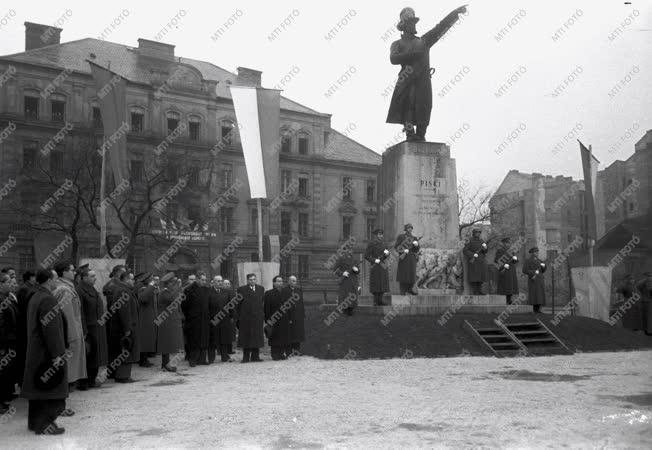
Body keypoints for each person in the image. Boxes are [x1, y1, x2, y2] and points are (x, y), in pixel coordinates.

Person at [386, 6, 467, 141]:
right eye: (411, 23)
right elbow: (393, 59)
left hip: (423, 81)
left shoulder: (423, 41)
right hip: (406, 80)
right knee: (409, 106)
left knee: (425, 106)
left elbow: (440, 28)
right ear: (404, 25)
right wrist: (413, 55)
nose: (414, 26)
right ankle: (410, 135)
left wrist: (454, 14)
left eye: (414, 23)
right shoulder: (397, 43)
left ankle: (421, 135)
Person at [21, 269, 68, 435]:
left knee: (38, 390)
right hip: (46, 354)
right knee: (50, 389)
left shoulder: (36, 296)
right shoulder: (48, 299)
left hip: (36, 352)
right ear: (48, 280)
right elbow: (52, 331)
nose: (57, 282)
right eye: (55, 278)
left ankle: (35, 422)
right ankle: (45, 425)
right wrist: (57, 355)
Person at [52, 261, 86, 402]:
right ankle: (61, 404)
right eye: (72, 270)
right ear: (64, 272)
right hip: (71, 336)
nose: (74, 272)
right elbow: (67, 317)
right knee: (67, 372)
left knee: (69, 371)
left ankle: (63, 402)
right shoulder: (64, 290)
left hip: (73, 332)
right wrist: (72, 338)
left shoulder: (67, 287)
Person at [75, 267, 108, 389]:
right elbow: (80, 313)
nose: (95, 278)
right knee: (88, 356)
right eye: (92, 276)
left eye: (95, 276)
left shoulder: (92, 289)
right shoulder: (79, 290)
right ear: (84, 278)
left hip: (97, 327)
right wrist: (84, 330)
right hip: (89, 328)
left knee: (95, 355)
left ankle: (91, 379)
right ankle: (84, 382)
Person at [107, 271, 139, 383]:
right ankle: (122, 376)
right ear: (126, 279)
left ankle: (123, 375)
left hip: (124, 327)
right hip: (124, 329)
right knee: (125, 351)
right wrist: (127, 329)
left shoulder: (123, 290)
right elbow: (124, 312)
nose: (134, 281)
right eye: (132, 279)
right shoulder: (123, 291)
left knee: (125, 351)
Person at [155, 273, 184, 372]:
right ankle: (166, 365)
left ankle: (165, 364)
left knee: (166, 344)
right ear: (168, 284)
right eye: (172, 283)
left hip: (168, 321)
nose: (173, 285)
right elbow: (173, 299)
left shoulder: (168, 292)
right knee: (166, 344)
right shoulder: (164, 293)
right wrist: (178, 287)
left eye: (174, 283)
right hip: (165, 322)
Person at [0, 272, 20, 413]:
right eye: (8, 282)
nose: (11, 283)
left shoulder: (7, 298)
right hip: (4, 343)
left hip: (10, 341)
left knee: (7, 373)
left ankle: (5, 397)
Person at [182, 273, 211, 366]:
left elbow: (209, 304)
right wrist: (190, 316)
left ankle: (202, 359)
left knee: (203, 339)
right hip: (193, 320)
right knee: (193, 340)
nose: (204, 282)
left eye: (205, 280)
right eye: (202, 280)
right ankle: (193, 360)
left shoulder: (207, 290)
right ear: (197, 279)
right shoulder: (189, 290)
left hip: (205, 319)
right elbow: (184, 306)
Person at [235, 273, 265, 363]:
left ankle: (255, 356)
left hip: (257, 317)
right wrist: (239, 317)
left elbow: (261, 301)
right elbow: (238, 304)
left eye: (254, 279)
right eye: (250, 279)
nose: (252, 281)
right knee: (246, 337)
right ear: (247, 280)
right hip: (246, 317)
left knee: (257, 336)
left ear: (256, 280)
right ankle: (246, 357)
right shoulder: (241, 289)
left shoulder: (261, 289)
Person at [15, 270, 36, 385]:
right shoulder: (25, 289)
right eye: (34, 276)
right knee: (24, 353)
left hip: (25, 324)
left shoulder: (28, 288)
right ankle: (22, 380)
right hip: (24, 325)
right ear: (29, 278)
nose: (35, 279)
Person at [263, 276, 290, 360]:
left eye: (281, 281)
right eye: (278, 281)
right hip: (273, 319)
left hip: (284, 319)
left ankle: (282, 353)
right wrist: (268, 320)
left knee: (282, 336)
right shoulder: (268, 293)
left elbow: (289, 307)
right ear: (274, 283)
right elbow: (266, 308)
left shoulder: (286, 293)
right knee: (274, 337)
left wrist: (289, 318)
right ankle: (274, 354)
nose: (280, 283)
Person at [208, 276, 234, 363]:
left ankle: (224, 356)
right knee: (213, 339)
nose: (220, 283)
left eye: (221, 281)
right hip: (213, 318)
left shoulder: (226, 292)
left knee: (224, 338)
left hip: (224, 318)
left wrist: (232, 316)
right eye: (218, 281)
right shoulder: (208, 292)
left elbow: (230, 305)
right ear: (213, 282)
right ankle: (211, 358)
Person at [134, 272, 157, 368]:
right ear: (146, 279)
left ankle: (145, 358)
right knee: (144, 338)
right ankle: (142, 360)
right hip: (144, 317)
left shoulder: (149, 288)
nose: (153, 280)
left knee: (148, 338)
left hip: (150, 316)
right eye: (151, 278)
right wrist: (151, 286)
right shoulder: (142, 288)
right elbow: (143, 298)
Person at [365, 229, 390, 306]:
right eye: (379, 234)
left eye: (381, 234)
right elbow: (366, 256)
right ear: (376, 235)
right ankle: (376, 300)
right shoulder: (372, 244)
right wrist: (374, 260)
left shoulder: (384, 244)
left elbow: (386, 255)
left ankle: (380, 300)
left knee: (382, 283)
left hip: (382, 265)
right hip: (375, 266)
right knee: (376, 283)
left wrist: (386, 254)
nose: (381, 236)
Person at [394, 223, 420, 295]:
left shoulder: (414, 238)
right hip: (404, 257)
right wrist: (403, 251)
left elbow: (416, 250)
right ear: (405, 229)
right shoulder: (401, 237)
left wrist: (416, 245)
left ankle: (410, 289)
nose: (410, 229)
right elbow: (396, 247)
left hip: (411, 257)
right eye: (409, 228)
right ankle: (402, 290)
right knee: (403, 274)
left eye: (411, 228)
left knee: (411, 274)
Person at [333, 248, 360, 315]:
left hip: (353, 280)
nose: (350, 251)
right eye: (348, 250)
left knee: (353, 294)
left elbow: (358, 271)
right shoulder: (341, 259)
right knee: (344, 295)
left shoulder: (355, 259)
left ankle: (351, 309)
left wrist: (356, 270)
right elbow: (334, 269)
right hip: (345, 280)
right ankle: (345, 309)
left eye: (351, 250)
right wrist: (342, 273)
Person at [284, 275, 305, 355]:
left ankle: (297, 350)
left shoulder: (298, 290)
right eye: (292, 280)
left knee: (298, 333)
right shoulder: (285, 290)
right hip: (289, 315)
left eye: (295, 281)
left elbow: (301, 302)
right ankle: (289, 351)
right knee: (290, 333)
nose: (294, 282)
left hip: (298, 315)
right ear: (288, 281)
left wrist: (302, 314)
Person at [463, 229, 488, 295]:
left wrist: (485, 248)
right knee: (474, 277)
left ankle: (480, 290)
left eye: (479, 232)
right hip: (474, 261)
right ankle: (475, 291)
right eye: (477, 232)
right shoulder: (470, 241)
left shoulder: (482, 241)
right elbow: (465, 250)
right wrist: (472, 254)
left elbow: (485, 251)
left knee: (481, 276)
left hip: (481, 261)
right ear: (474, 233)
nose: (478, 234)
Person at [495, 237, 519, 304]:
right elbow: (496, 260)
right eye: (507, 243)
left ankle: (509, 299)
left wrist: (515, 258)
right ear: (504, 243)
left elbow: (516, 261)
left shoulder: (512, 251)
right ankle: (505, 300)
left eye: (509, 243)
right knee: (505, 284)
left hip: (511, 269)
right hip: (505, 269)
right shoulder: (500, 250)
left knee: (511, 285)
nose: (508, 244)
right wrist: (504, 265)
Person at [522, 247, 546, 313]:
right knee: (534, 294)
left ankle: (539, 309)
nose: (537, 253)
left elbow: (542, 270)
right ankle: (535, 309)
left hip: (540, 279)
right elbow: (524, 270)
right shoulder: (528, 260)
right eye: (535, 252)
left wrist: (544, 267)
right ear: (532, 253)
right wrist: (534, 272)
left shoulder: (540, 260)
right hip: (533, 279)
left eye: (537, 252)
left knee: (540, 295)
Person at [223, 279, 236, 354]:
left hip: (231, 315)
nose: (227, 285)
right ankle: (222, 350)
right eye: (225, 284)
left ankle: (229, 349)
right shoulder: (221, 292)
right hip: (223, 315)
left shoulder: (232, 293)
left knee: (230, 333)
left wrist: (233, 315)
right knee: (224, 334)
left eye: (228, 284)